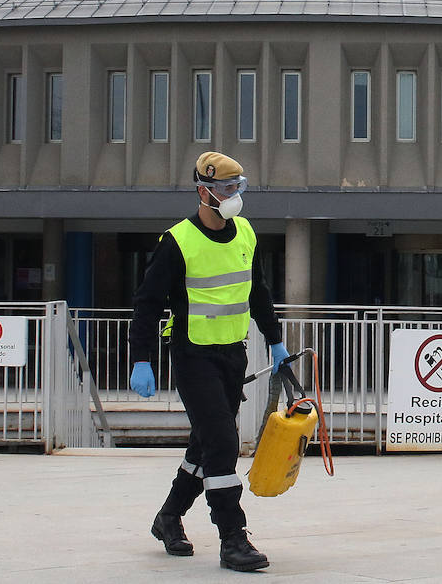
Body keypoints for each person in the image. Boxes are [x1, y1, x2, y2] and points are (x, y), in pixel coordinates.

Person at [129, 152, 290, 572]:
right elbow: (147, 303)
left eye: (238, 187)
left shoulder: (246, 233)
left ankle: (168, 516)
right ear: (204, 192)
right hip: (192, 354)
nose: (233, 195)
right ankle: (232, 537)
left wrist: (276, 343)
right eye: (225, 188)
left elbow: (258, 292)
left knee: (204, 444)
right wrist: (141, 358)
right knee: (222, 442)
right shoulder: (177, 241)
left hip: (232, 354)